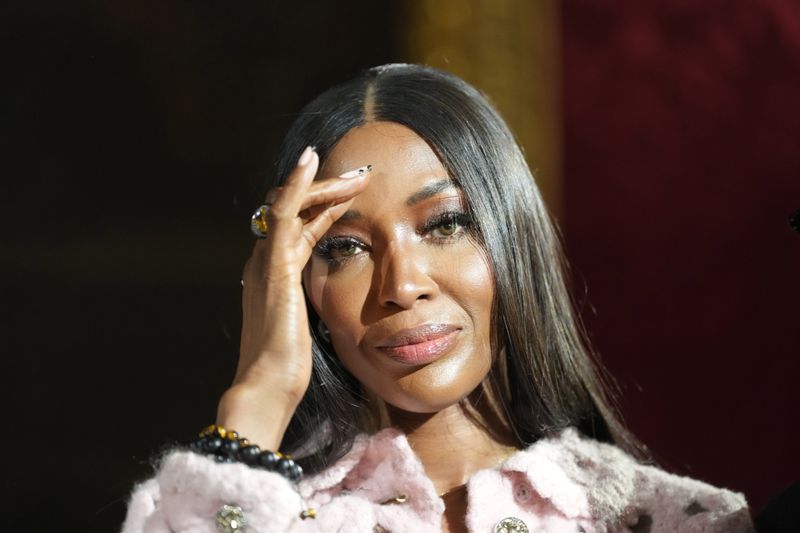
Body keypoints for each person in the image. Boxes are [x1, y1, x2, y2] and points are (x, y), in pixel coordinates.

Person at [121, 64, 754, 533]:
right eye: (345, 248)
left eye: (445, 225)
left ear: (513, 238)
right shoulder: (207, 510)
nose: (401, 286)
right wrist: (258, 394)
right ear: (297, 286)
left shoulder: (683, 522)